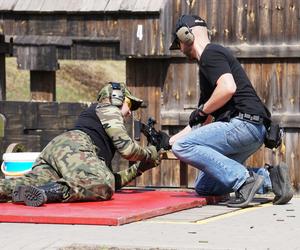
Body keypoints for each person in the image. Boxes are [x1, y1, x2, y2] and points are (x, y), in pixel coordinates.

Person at [169, 15, 293, 208]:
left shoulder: (211, 54)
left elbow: (227, 88)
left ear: (185, 36)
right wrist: (172, 139)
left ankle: (243, 180)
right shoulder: (209, 66)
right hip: (254, 131)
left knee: (182, 147)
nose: (180, 49)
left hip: (242, 125)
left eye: (178, 44)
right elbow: (204, 121)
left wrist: (199, 114)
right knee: (205, 186)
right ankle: (270, 179)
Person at [0, 82, 162, 207]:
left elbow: (109, 177)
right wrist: (150, 152)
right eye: (130, 105)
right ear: (117, 98)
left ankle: (11, 189)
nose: (129, 113)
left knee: (29, 183)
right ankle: (48, 192)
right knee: (103, 184)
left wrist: (139, 169)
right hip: (76, 146)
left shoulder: (98, 118)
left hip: (58, 149)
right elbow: (127, 150)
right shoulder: (109, 109)